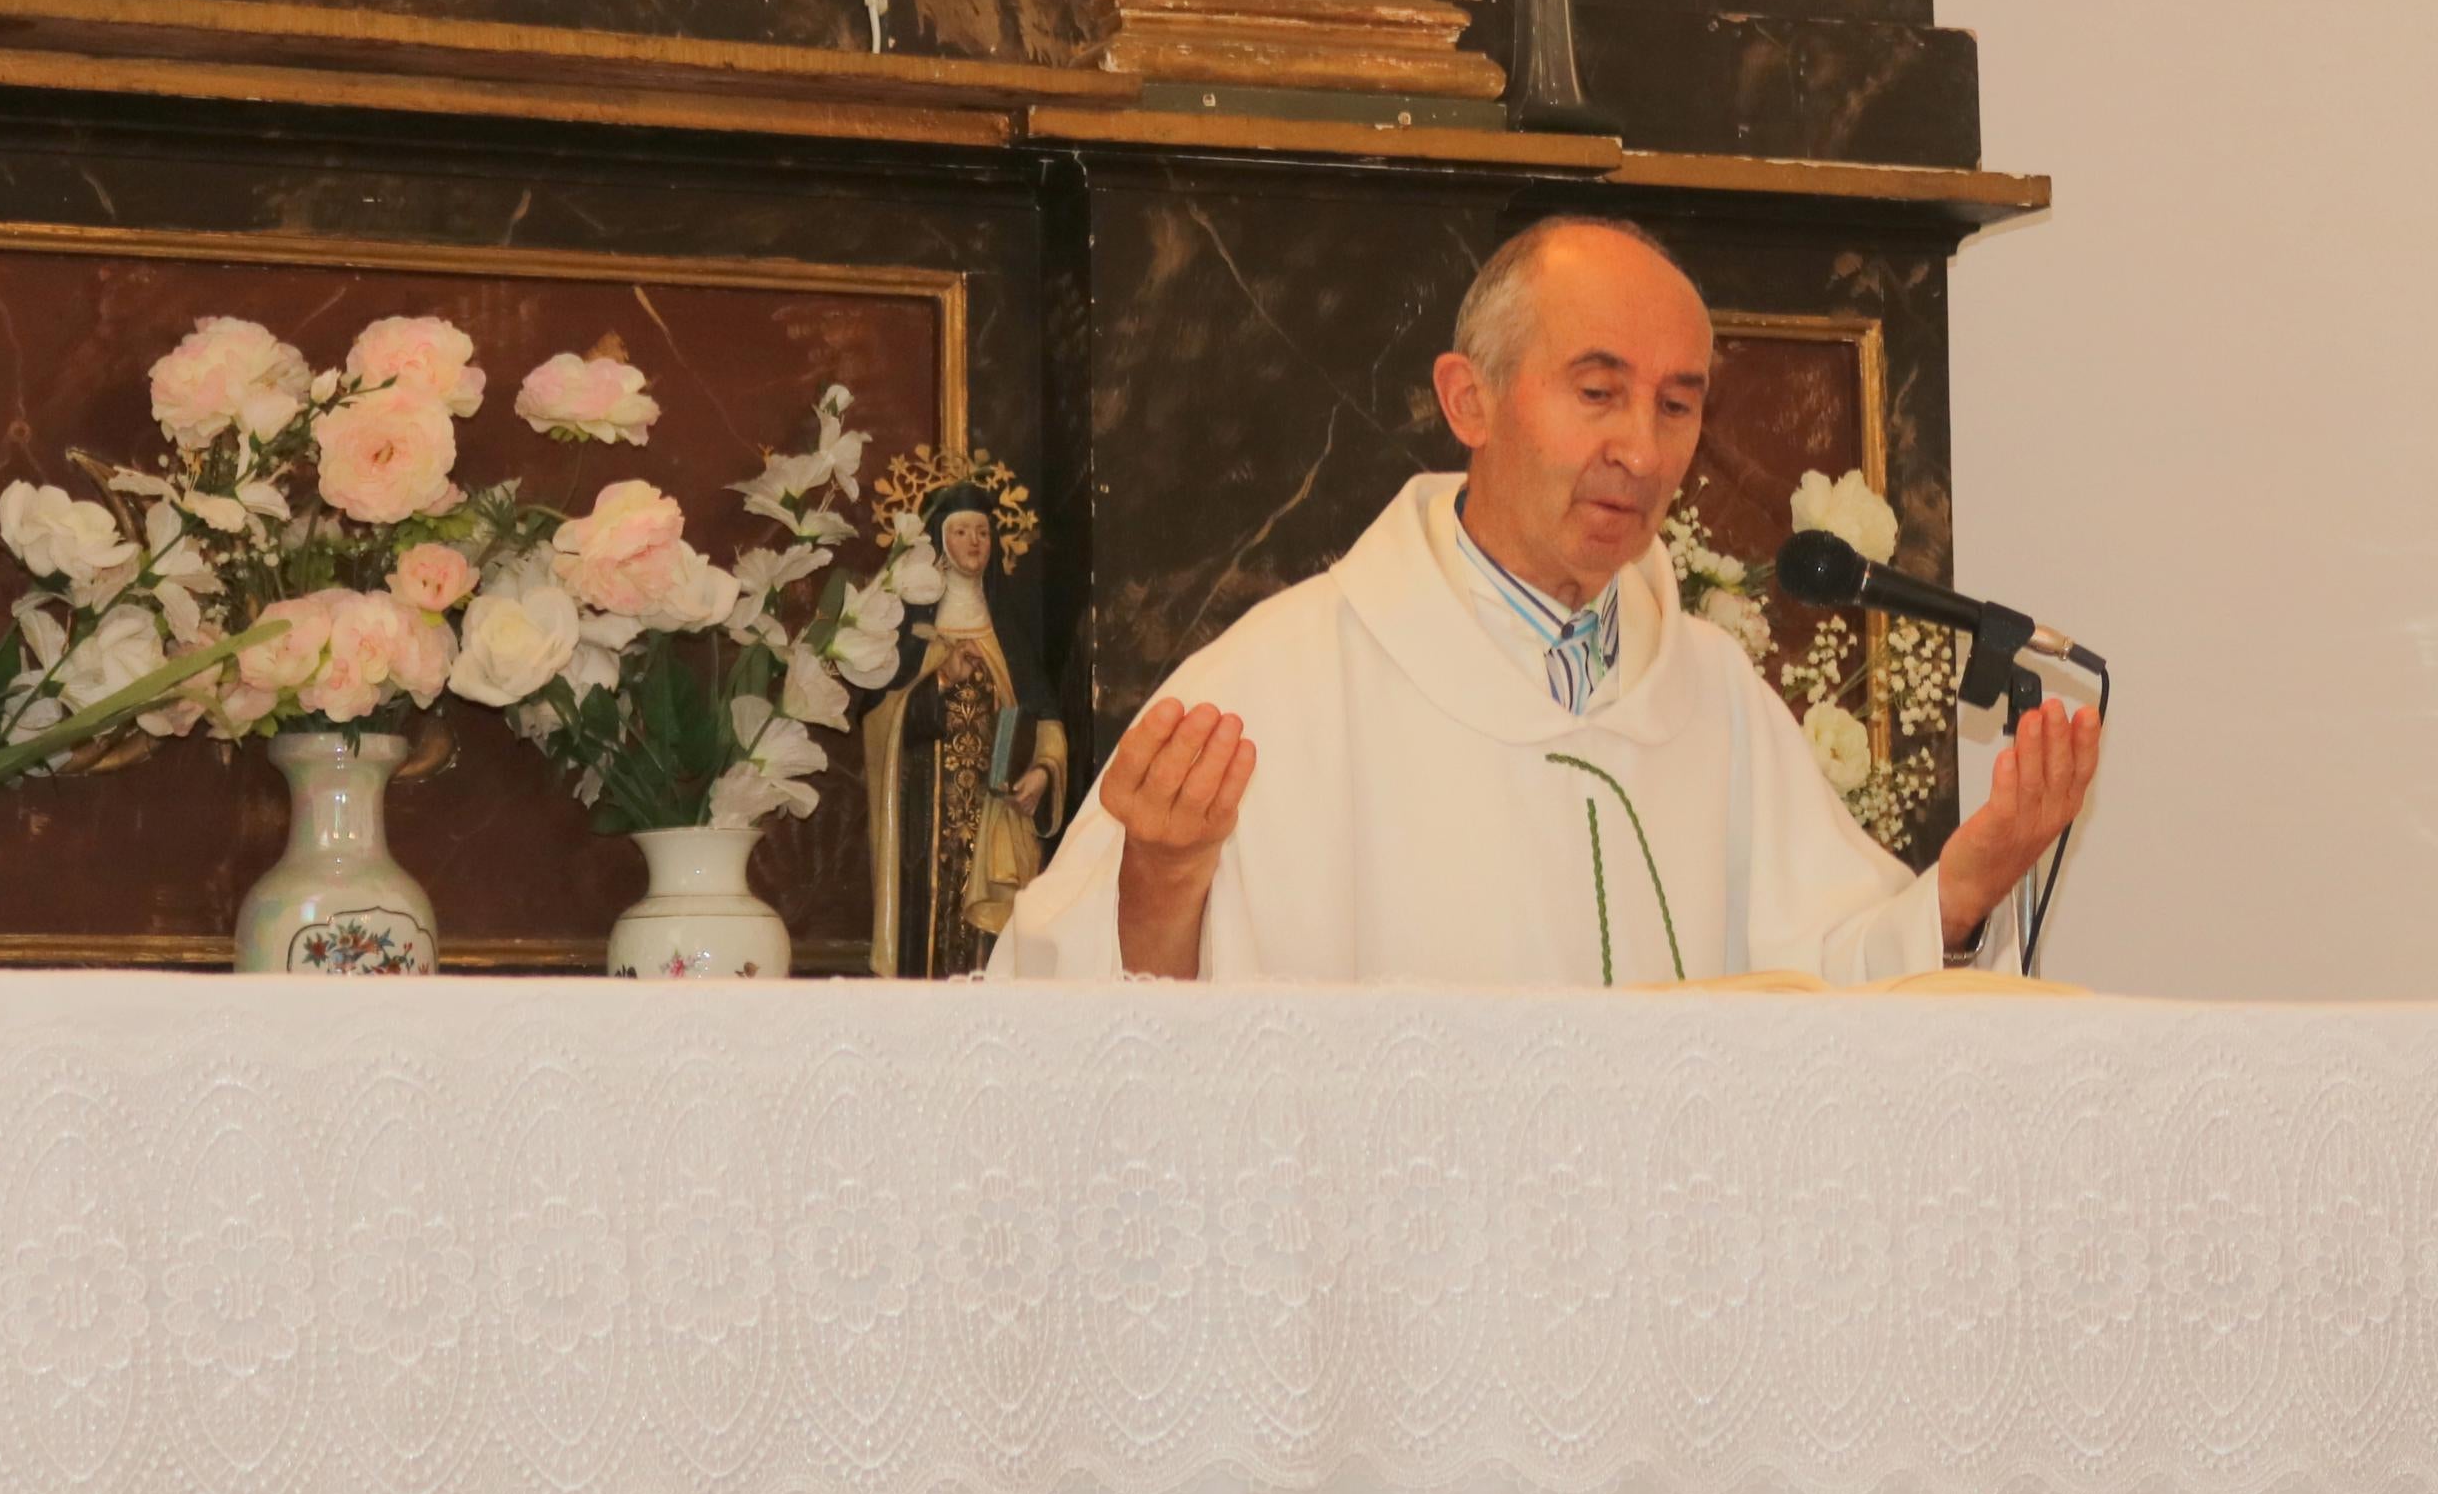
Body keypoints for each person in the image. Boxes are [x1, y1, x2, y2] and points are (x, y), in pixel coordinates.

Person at [992, 217, 2104, 984]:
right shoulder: (1276, 685)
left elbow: (1823, 983)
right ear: (1467, 400)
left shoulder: (1708, 692)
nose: (1641, 449)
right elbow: (1069, 1022)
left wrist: (1961, 890)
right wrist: (1162, 878)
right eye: (1597, 391)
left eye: (1677, 406)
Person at [863, 481, 1066, 977]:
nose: (975, 542)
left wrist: (1043, 770)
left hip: (996, 815)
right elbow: (879, 721)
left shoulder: (1007, 633)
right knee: (929, 931)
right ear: (939, 540)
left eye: (983, 532)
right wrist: (938, 683)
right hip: (926, 817)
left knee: (991, 947)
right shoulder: (913, 636)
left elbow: (1044, 717)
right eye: (961, 532)